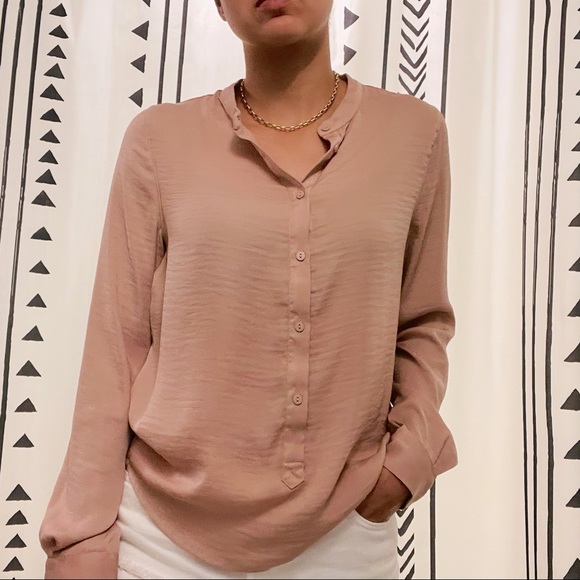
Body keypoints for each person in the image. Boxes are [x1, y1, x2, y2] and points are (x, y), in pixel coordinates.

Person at [38, 0, 458, 578]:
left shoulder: (414, 135)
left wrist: (406, 462)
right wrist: (81, 537)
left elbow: (423, 320)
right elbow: (116, 345)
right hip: (159, 542)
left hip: (345, 537)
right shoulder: (160, 140)